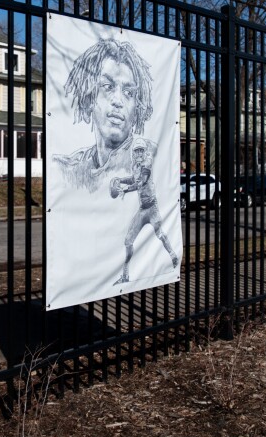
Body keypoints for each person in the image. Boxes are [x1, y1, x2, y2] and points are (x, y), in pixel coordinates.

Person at [53, 38, 155, 192]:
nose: (118, 101)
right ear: (88, 96)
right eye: (108, 86)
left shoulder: (152, 155)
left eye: (128, 92)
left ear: (137, 107)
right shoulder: (69, 169)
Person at [109, 138, 180, 284]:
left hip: (152, 207)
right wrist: (120, 180)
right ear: (134, 153)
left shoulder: (147, 163)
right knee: (128, 241)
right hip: (142, 209)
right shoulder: (135, 166)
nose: (139, 152)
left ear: (144, 151)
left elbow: (140, 182)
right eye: (137, 150)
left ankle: (173, 255)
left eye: (141, 150)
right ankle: (125, 275)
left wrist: (125, 189)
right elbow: (133, 179)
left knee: (160, 234)